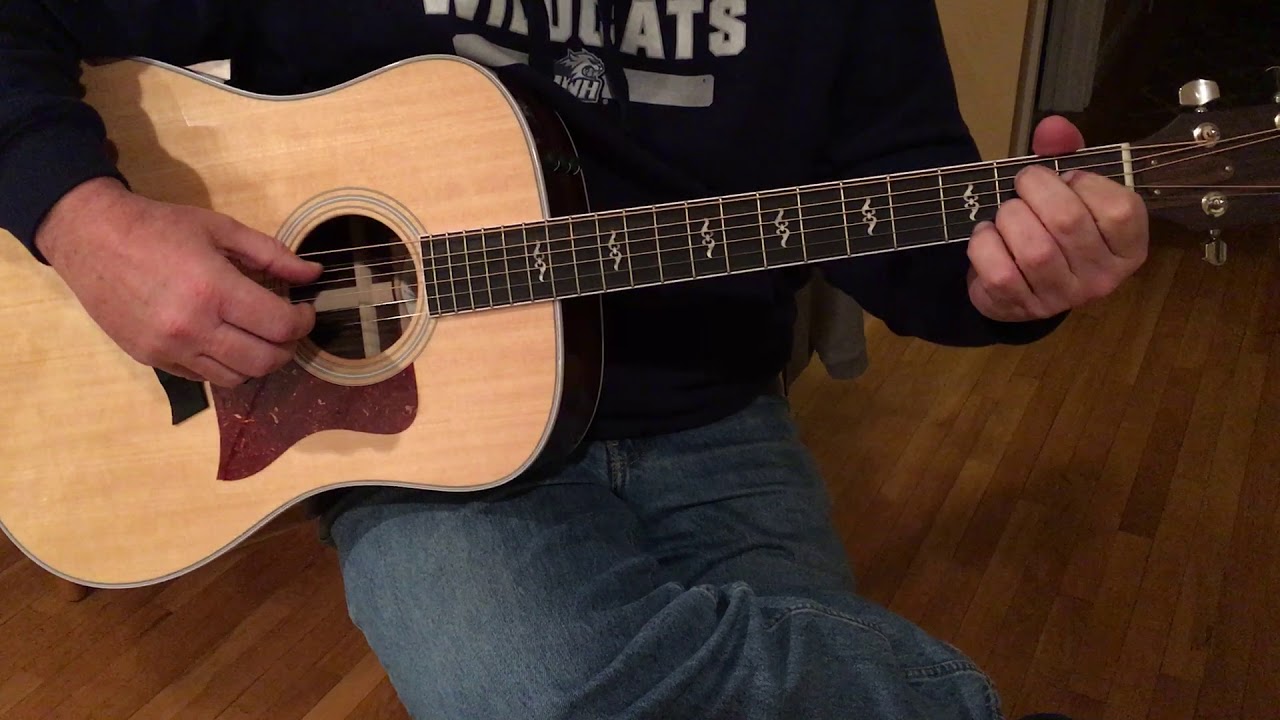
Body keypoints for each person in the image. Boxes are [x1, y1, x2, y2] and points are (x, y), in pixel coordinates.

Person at [0, 2, 1147, 718]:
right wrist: (86, 221)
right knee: (523, 690)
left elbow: (905, 222)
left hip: (709, 417)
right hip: (429, 448)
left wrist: (1010, 279)